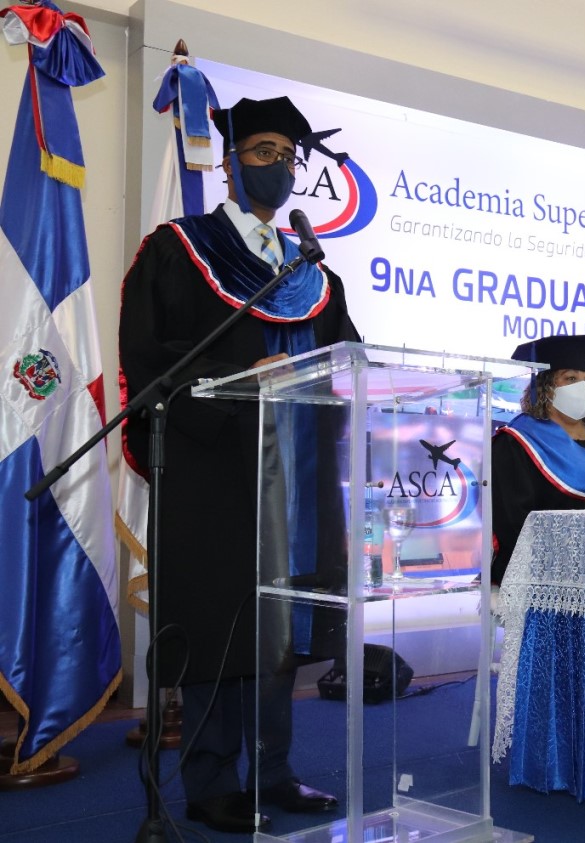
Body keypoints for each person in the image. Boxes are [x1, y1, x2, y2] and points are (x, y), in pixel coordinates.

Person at [119, 97, 355, 832]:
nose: (276, 166)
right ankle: (212, 776)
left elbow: (344, 361)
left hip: (298, 472)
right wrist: (234, 383)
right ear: (226, 162)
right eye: (259, 151)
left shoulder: (311, 269)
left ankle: (276, 770)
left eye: (288, 155)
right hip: (215, 469)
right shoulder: (178, 249)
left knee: (281, 625)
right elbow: (149, 361)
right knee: (221, 621)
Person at [491, 335, 585, 584]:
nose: (582, 388)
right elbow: (514, 525)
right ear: (545, 388)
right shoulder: (516, 444)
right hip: (545, 585)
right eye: (570, 378)